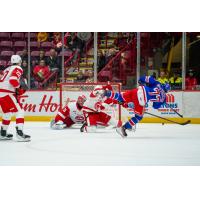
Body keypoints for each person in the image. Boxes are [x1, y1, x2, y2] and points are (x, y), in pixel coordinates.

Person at [104, 75, 170, 137]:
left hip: (139, 90)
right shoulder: (163, 98)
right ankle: (124, 128)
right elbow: (155, 106)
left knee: (121, 97)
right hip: (141, 100)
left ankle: (107, 93)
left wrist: (141, 81)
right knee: (138, 117)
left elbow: (146, 79)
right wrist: (163, 102)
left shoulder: (158, 83)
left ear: (163, 85)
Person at [0, 55, 30, 141]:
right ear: (20, 61)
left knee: (7, 113)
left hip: (1, 93)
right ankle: (19, 134)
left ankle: (3, 133)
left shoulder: (7, 69)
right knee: (20, 111)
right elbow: (13, 80)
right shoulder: (18, 68)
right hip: (7, 93)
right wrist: (19, 86)